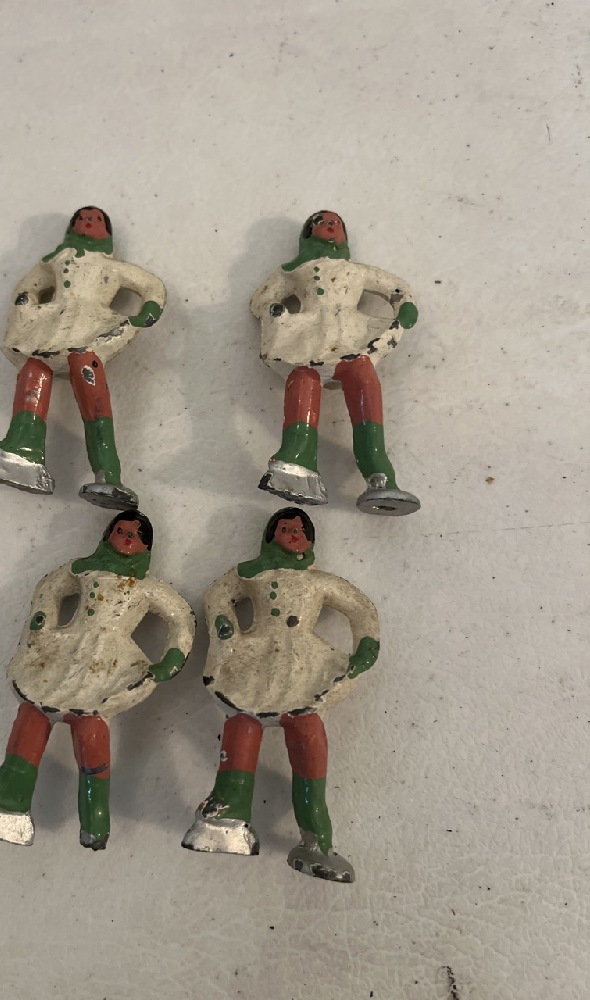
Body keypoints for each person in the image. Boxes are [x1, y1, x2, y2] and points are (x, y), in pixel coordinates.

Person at [0, 511, 195, 849]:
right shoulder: (83, 570)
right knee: (34, 713)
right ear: (107, 535)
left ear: (146, 546)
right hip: (65, 651)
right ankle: (9, 797)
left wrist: (171, 660)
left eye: (135, 536)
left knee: (90, 727)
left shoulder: (148, 587)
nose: (126, 539)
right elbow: (49, 589)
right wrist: (40, 628)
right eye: (120, 531)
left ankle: (95, 815)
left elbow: (181, 619)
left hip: (110, 662)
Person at [182, 508, 380, 882]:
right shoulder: (250, 572)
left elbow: (360, 609)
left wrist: (366, 646)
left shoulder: (318, 581)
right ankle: (227, 815)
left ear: (311, 539)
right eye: (285, 528)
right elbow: (218, 594)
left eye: (299, 529)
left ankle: (316, 838)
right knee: (243, 721)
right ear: (270, 535)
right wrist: (225, 627)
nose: (292, 534)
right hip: (256, 658)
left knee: (307, 730)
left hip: (303, 661)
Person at [0, 207, 166, 510]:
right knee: (34, 369)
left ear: (107, 233)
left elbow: (150, 286)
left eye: (95, 220)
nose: (88, 223)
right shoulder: (56, 260)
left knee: (89, 384)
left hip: (90, 327)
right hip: (51, 327)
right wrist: (25, 303)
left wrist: (149, 311)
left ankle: (108, 473)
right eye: (82, 219)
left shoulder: (113, 268)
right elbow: (29, 286)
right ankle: (23, 449)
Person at [250, 210, 421, 514]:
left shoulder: (356, 271)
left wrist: (406, 307)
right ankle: (297, 457)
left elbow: (396, 288)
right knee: (303, 379)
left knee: (363, 380)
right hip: (310, 337)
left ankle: (378, 470)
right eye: (322, 222)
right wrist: (274, 309)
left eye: (336, 223)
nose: (330, 226)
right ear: (308, 233)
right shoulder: (293, 270)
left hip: (352, 337)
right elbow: (260, 299)